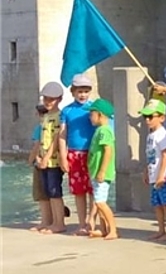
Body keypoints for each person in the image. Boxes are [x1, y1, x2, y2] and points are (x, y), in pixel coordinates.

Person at [57, 74, 96, 236]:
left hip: (93, 153)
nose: (83, 94)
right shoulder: (67, 111)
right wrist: (63, 156)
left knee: (94, 189)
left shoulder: (94, 108)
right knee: (79, 191)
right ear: (73, 91)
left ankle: (92, 221)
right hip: (74, 154)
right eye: (80, 91)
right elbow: (62, 134)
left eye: (86, 91)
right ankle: (81, 223)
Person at [140, 99, 166, 241]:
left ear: (161, 117)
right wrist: (146, 171)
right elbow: (150, 155)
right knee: (157, 204)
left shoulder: (163, 134)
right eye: (146, 117)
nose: (148, 120)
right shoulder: (150, 135)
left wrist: (162, 175)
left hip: (164, 176)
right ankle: (161, 229)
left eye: (151, 117)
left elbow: (165, 156)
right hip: (153, 173)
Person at [85, 98, 118, 240]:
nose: (89, 117)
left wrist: (102, 171)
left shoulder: (104, 131)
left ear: (100, 115)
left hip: (102, 173)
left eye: (92, 114)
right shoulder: (99, 130)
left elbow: (108, 151)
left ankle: (113, 230)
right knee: (98, 202)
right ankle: (103, 229)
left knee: (100, 202)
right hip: (96, 172)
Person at [37, 82, 66, 234]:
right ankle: (53, 221)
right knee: (49, 191)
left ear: (59, 99)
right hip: (44, 160)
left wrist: (46, 156)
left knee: (55, 191)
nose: (48, 102)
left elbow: (56, 138)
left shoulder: (59, 116)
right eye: (46, 99)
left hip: (53, 160)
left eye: (51, 99)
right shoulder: (47, 116)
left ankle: (59, 223)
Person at [29, 105, 51, 232]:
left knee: (41, 194)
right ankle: (51, 219)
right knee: (50, 193)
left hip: (39, 163)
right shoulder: (53, 126)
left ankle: (45, 221)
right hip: (52, 162)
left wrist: (30, 160)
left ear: (38, 114)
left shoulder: (39, 128)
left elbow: (36, 146)